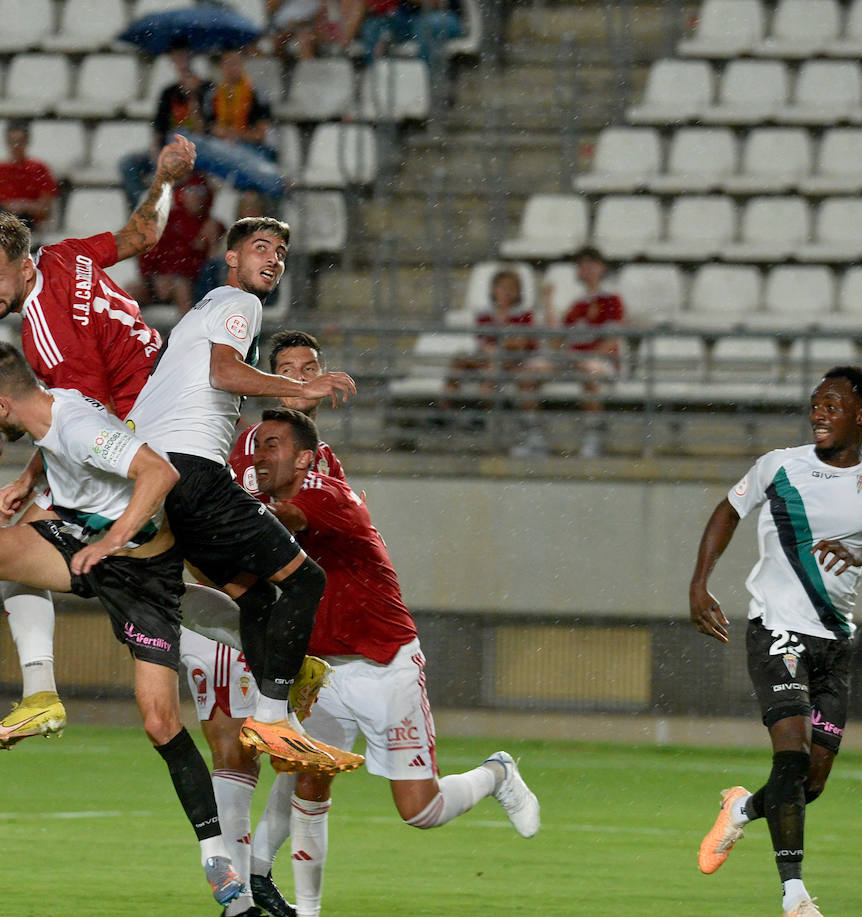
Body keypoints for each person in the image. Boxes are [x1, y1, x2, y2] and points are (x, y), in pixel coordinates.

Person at [0, 137, 197, 741]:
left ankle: (26, 693)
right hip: (172, 412)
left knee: (11, 545)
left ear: (23, 268)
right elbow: (140, 236)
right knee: (27, 548)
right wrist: (163, 181)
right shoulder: (65, 255)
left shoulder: (44, 334)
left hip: (141, 436)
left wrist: (27, 480)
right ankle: (24, 694)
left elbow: (83, 417)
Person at [0, 340, 247, 910]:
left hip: (141, 572)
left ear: (2, 404)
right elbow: (59, 457)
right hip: (86, 547)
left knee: (160, 721)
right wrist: (25, 486)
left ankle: (215, 856)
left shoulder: (76, 423)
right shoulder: (48, 414)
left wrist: (109, 539)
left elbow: (158, 473)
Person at [246, 408, 541, 917]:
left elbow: (284, 521)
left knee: (419, 812)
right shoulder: (274, 499)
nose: (259, 454)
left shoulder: (324, 495)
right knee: (309, 781)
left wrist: (218, 505)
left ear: (303, 458)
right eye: (257, 444)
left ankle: (497, 774)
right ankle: (308, 911)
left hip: (385, 667)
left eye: (272, 445)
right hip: (323, 673)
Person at [126, 216, 360, 775]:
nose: (274, 258)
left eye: (280, 251)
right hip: (191, 470)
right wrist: (302, 386)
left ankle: (275, 715)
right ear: (231, 258)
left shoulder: (198, 314)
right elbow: (224, 372)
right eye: (261, 247)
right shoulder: (240, 304)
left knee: (254, 596)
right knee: (305, 580)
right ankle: (273, 716)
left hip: (149, 474)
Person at [689, 365, 862, 917]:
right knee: (789, 761)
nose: (819, 412)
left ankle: (743, 809)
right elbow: (727, 510)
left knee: (808, 783)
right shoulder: (779, 466)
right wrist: (699, 582)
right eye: (816, 403)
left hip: (835, 644)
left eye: (833, 405)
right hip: (776, 629)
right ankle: (795, 897)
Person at [181, 329, 344, 916]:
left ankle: (254, 873)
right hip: (221, 611)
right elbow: (196, 518)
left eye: (309, 368)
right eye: (287, 369)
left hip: (269, 614)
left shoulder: (319, 460)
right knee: (232, 746)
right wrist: (230, 584)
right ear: (265, 377)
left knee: (291, 748)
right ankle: (240, 898)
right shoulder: (238, 447)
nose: (300, 380)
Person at [446, 268, 553, 446]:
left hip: (518, 362)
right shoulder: (485, 315)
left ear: (518, 292)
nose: (505, 292)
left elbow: (520, 343)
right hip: (493, 363)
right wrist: (499, 347)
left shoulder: (524, 315)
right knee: (462, 363)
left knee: (491, 369)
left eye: (510, 288)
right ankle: (445, 412)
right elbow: (483, 342)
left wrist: (498, 347)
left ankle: (482, 417)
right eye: (501, 287)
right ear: (493, 289)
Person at [119, 38, 211, 209]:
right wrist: (155, 150)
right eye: (176, 58)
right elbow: (159, 128)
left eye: (183, 57)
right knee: (128, 164)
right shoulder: (168, 92)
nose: (180, 62)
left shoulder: (205, 89)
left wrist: (193, 98)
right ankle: (142, 204)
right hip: (167, 148)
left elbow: (203, 130)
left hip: (193, 149)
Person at [557, 247, 624, 459]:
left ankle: (593, 435)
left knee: (589, 372)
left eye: (591, 264)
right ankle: (532, 434)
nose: (586, 270)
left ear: (602, 268)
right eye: (581, 265)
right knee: (531, 371)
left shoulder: (611, 300)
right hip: (574, 360)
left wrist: (585, 357)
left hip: (600, 362)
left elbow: (612, 341)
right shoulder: (575, 303)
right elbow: (558, 340)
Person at [131, 177, 225, 315]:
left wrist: (211, 242)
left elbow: (211, 268)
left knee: (182, 288)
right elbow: (147, 256)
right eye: (191, 190)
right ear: (182, 193)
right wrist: (157, 278)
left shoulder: (213, 226)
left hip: (191, 285)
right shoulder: (165, 221)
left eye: (201, 191)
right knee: (130, 293)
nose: (196, 196)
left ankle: (186, 334)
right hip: (157, 281)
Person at [0, 121, 59, 231]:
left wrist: (24, 205)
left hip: (24, 219)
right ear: (6, 143)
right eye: (12, 141)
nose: (16, 145)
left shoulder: (39, 169)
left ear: (27, 142)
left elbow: (45, 209)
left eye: (20, 141)